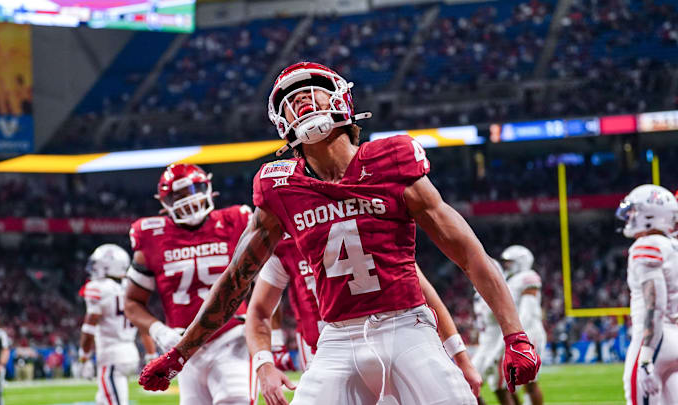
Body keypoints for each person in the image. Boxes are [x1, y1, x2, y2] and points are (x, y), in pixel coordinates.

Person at [139, 61, 540, 404]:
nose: (302, 101)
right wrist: (180, 353)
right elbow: (235, 282)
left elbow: (470, 254)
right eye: (291, 100)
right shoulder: (279, 186)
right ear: (282, 124)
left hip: (406, 325)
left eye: (313, 91)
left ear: (342, 101)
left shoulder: (392, 159)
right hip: (335, 340)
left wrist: (515, 334)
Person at [247, 236, 483, 405]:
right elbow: (258, 309)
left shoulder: (372, 220)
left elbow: (425, 294)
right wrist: (264, 364)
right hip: (325, 352)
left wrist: (461, 358)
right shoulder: (287, 239)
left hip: (391, 343)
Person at [124, 164, 254, 405]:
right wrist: (158, 330)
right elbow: (131, 302)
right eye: (178, 195)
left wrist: (267, 330)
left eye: (195, 189)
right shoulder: (151, 234)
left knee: (235, 399)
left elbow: (271, 275)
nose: (189, 199)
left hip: (231, 336)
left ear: (209, 188)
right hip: (184, 348)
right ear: (163, 201)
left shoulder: (235, 220)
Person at [617, 185, 678, 404]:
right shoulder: (673, 246)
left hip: (655, 339)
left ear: (651, 215)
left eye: (634, 211)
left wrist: (645, 356)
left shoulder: (647, 245)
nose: (629, 216)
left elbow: (656, 304)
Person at [78, 244, 146, 405]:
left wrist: (84, 357)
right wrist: (150, 354)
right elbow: (143, 323)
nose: (93, 268)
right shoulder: (130, 287)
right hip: (130, 351)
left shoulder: (99, 288)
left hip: (112, 356)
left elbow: (88, 328)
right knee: (103, 400)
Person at [501, 246, 546, 405]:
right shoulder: (511, 279)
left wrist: (517, 334)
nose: (507, 265)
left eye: (510, 262)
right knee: (508, 381)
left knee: (530, 382)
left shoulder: (528, 276)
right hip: (515, 331)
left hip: (528, 332)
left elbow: (528, 310)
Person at [472, 261, 515, 405]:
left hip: (497, 348)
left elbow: (508, 324)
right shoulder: (478, 295)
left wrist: (498, 353)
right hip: (485, 346)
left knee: (500, 389)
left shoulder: (498, 293)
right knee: (469, 385)